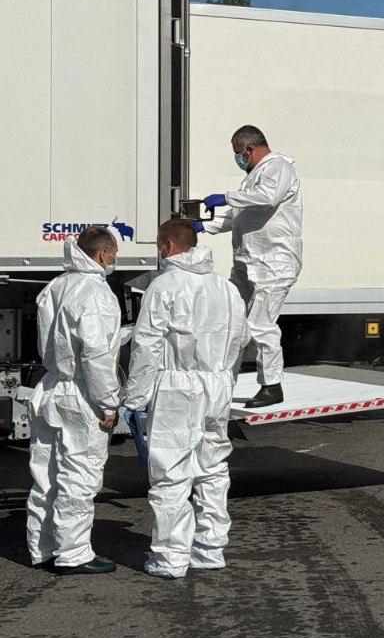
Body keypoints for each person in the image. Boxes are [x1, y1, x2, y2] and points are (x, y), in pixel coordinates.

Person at [123, 219, 250, 578]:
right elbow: (240, 340)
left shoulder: (163, 286)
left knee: (171, 472)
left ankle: (170, 558)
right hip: (217, 385)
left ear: (166, 246)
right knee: (212, 468)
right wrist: (224, 380)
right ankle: (210, 549)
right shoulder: (226, 289)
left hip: (177, 387)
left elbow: (147, 345)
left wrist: (135, 397)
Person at [27, 227, 124, 574]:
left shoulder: (56, 285)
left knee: (46, 474)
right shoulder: (95, 292)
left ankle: (43, 547)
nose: (114, 259)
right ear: (102, 255)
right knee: (79, 475)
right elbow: (95, 353)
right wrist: (108, 402)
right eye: (114, 253)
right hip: (82, 393)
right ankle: (74, 554)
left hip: (51, 385)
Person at [195, 124, 302, 408]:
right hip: (248, 261)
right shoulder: (253, 177)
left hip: (274, 263)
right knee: (234, 320)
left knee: (260, 324)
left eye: (237, 153)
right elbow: (237, 218)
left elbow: (268, 197)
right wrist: (202, 226)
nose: (237, 159)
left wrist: (226, 197)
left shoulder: (279, 167)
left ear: (249, 148)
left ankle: (272, 385)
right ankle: (223, 381)